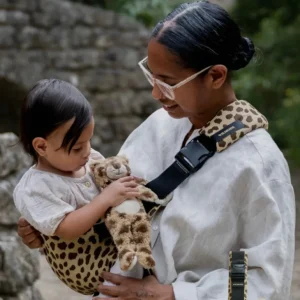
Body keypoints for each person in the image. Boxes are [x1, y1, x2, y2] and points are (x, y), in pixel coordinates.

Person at [17, 1, 295, 300]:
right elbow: (109, 208)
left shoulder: (258, 164)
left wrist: (172, 293)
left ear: (215, 76)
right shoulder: (158, 126)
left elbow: (265, 281)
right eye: (152, 77)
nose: (155, 93)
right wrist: (50, 225)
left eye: (168, 82)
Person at [13, 78, 143, 294]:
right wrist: (106, 198)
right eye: (76, 148)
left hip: (111, 245)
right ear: (42, 146)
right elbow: (66, 229)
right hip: (85, 263)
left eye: (88, 141)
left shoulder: (89, 159)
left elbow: (108, 178)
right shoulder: (35, 187)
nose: (86, 152)